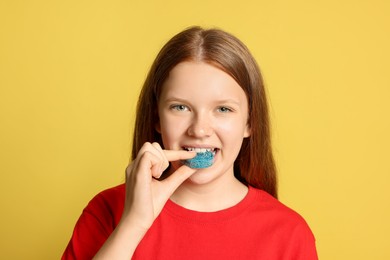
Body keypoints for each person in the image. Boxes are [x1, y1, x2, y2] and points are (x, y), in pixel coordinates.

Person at [62, 26, 318, 259]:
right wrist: (134, 224)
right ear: (157, 118)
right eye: (181, 107)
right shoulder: (107, 211)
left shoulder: (289, 233)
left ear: (249, 123)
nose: (199, 130)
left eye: (223, 109)